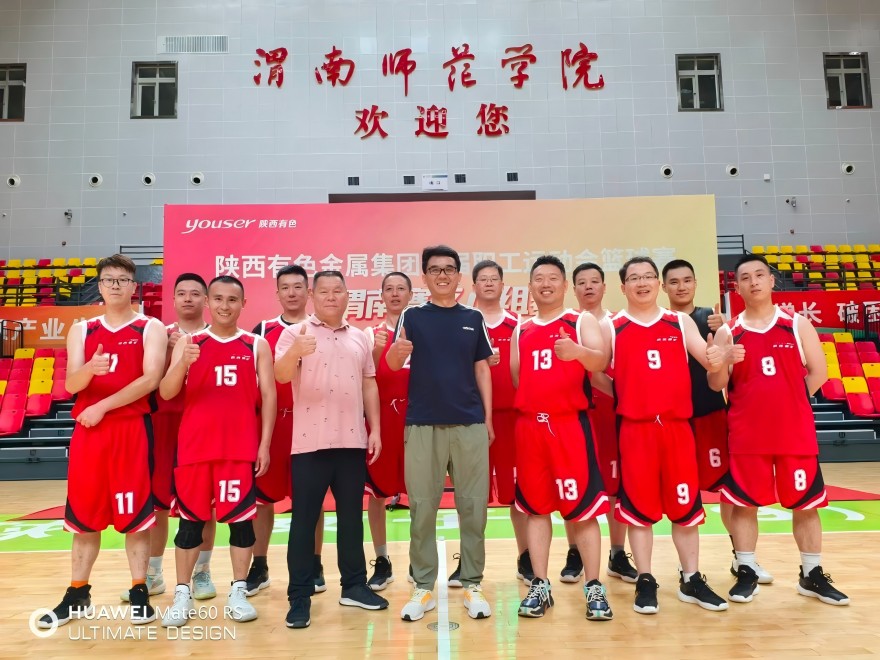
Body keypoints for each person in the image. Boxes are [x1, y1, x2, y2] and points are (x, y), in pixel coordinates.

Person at [711, 255, 849, 606]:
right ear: (737, 287)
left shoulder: (797, 324)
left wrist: (790, 404)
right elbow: (717, 384)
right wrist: (723, 359)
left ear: (772, 281)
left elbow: (819, 372)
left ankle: (811, 574)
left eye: (760, 275)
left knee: (806, 505)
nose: (754, 282)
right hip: (747, 436)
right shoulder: (729, 331)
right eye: (745, 277)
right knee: (745, 506)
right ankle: (746, 570)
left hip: (794, 434)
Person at [39, 254, 166, 628]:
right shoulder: (82, 329)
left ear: (133, 286)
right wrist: (90, 370)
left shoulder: (150, 327)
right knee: (84, 517)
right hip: (90, 434)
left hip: (130, 430)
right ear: (99, 286)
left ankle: (140, 590)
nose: (115, 285)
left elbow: (150, 379)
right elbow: (70, 384)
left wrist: (103, 406)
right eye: (108, 279)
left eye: (122, 279)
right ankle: (77, 593)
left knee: (136, 517)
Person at [598, 256, 729, 615]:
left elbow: (710, 362)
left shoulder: (679, 321)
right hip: (636, 430)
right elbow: (595, 371)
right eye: (634, 278)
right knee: (639, 509)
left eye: (648, 276)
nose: (642, 283)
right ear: (623, 286)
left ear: (658, 283)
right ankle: (645, 579)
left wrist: (719, 353)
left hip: (677, 428)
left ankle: (691, 579)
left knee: (684, 507)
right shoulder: (613, 326)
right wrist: (625, 394)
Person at [159, 275, 276, 627]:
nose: (225, 306)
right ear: (208, 302)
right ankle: (182, 594)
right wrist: (182, 362)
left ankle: (238, 591)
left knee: (241, 525)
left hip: (238, 450)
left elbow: (269, 396)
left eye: (233, 299)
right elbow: (166, 392)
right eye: (219, 299)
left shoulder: (256, 344)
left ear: (243, 304)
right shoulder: (189, 342)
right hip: (194, 450)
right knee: (190, 525)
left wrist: (264, 444)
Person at [387, 245, 494, 622]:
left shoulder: (473, 317)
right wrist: (397, 350)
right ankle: (423, 587)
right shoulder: (412, 316)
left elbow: (482, 369)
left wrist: (488, 419)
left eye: (449, 269)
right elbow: (393, 361)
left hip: (470, 424)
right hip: (423, 424)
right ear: (425, 277)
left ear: (459, 276)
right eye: (435, 270)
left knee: (473, 507)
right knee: (421, 507)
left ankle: (472, 583)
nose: (443, 275)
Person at [275, 270, 388, 630]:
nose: (331, 297)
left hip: (352, 441)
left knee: (351, 519)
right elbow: (280, 375)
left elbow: (369, 383)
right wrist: (296, 351)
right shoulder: (295, 333)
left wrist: (375, 428)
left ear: (346, 295)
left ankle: (354, 586)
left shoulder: (359, 337)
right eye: (323, 291)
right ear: (313, 296)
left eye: (337, 290)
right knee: (304, 522)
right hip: (310, 444)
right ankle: (299, 596)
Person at [511, 255, 614, 620]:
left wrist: (577, 352)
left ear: (565, 285)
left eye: (553, 278)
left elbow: (600, 363)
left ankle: (594, 585)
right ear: (530, 286)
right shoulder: (522, 329)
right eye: (539, 278)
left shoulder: (579, 320)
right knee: (536, 509)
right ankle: (540, 584)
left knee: (581, 509)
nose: (546, 284)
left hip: (569, 426)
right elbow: (518, 379)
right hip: (531, 428)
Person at [662, 258, 773, 585]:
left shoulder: (712, 321)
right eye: (674, 282)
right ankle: (688, 568)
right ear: (663, 287)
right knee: (683, 494)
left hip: (711, 416)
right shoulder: (660, 322)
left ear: (696, 283)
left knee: (731, 490)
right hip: (674, 421)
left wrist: (720, 328)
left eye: (687, 280)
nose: (681, 286)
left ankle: (743, 558)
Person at [122, 273, 218, 604]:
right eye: (182, 293)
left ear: (206, 300)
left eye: (195, 293)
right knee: (158, 503)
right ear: (173, 300)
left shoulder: (219, 337)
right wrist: (169, 353)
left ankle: (202, 571)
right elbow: (147, 381)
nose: (188, 298)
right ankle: (153, 573)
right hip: (163, 425)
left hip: (203, 426)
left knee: (205, 504)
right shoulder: (157, 335)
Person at [248, 265, 327, 597]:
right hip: (272, 425)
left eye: (298, 287)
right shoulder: (262, 330)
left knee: (313, 501)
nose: (292, 293)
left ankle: (314, 563)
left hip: (311, 425)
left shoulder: (322, 328)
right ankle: (259, 565)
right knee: (262, 500)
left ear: (308, 292)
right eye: (285, 287)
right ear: (277, 293)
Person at [572, 262, 638, 584]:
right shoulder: (567, 323)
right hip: (576, 414)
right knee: (575, 482)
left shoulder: (616, 324)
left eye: (594, 281)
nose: (588, 287)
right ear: (573, 289)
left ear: (604, 287)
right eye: (582, 282)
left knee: (614, 485)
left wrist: (624, 397)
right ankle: (574, 552)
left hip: (611, 412)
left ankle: (617, 553)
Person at [470, 260, 533, 584]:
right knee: (472, 496)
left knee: (519, 495)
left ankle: (526, 557)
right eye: (483, 279)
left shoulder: (518, 325)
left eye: (494, 279)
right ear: (474, 286)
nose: (489, 283)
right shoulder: (466, 323)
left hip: (512, 420)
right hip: (472, 421)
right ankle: (469, 562)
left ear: (503, 285)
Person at [363, 272, 413, 591]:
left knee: (419, 493)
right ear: (381, 296)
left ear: (410, 295)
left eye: (401, 289)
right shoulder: (371, 334)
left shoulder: (420, 332)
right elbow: (363, 376)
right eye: (389, 289)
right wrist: (375, 352)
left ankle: (418, 558)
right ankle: (382, 559)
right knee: (377, 494)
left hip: (415, 421)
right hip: (381, 421)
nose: (395, 294)